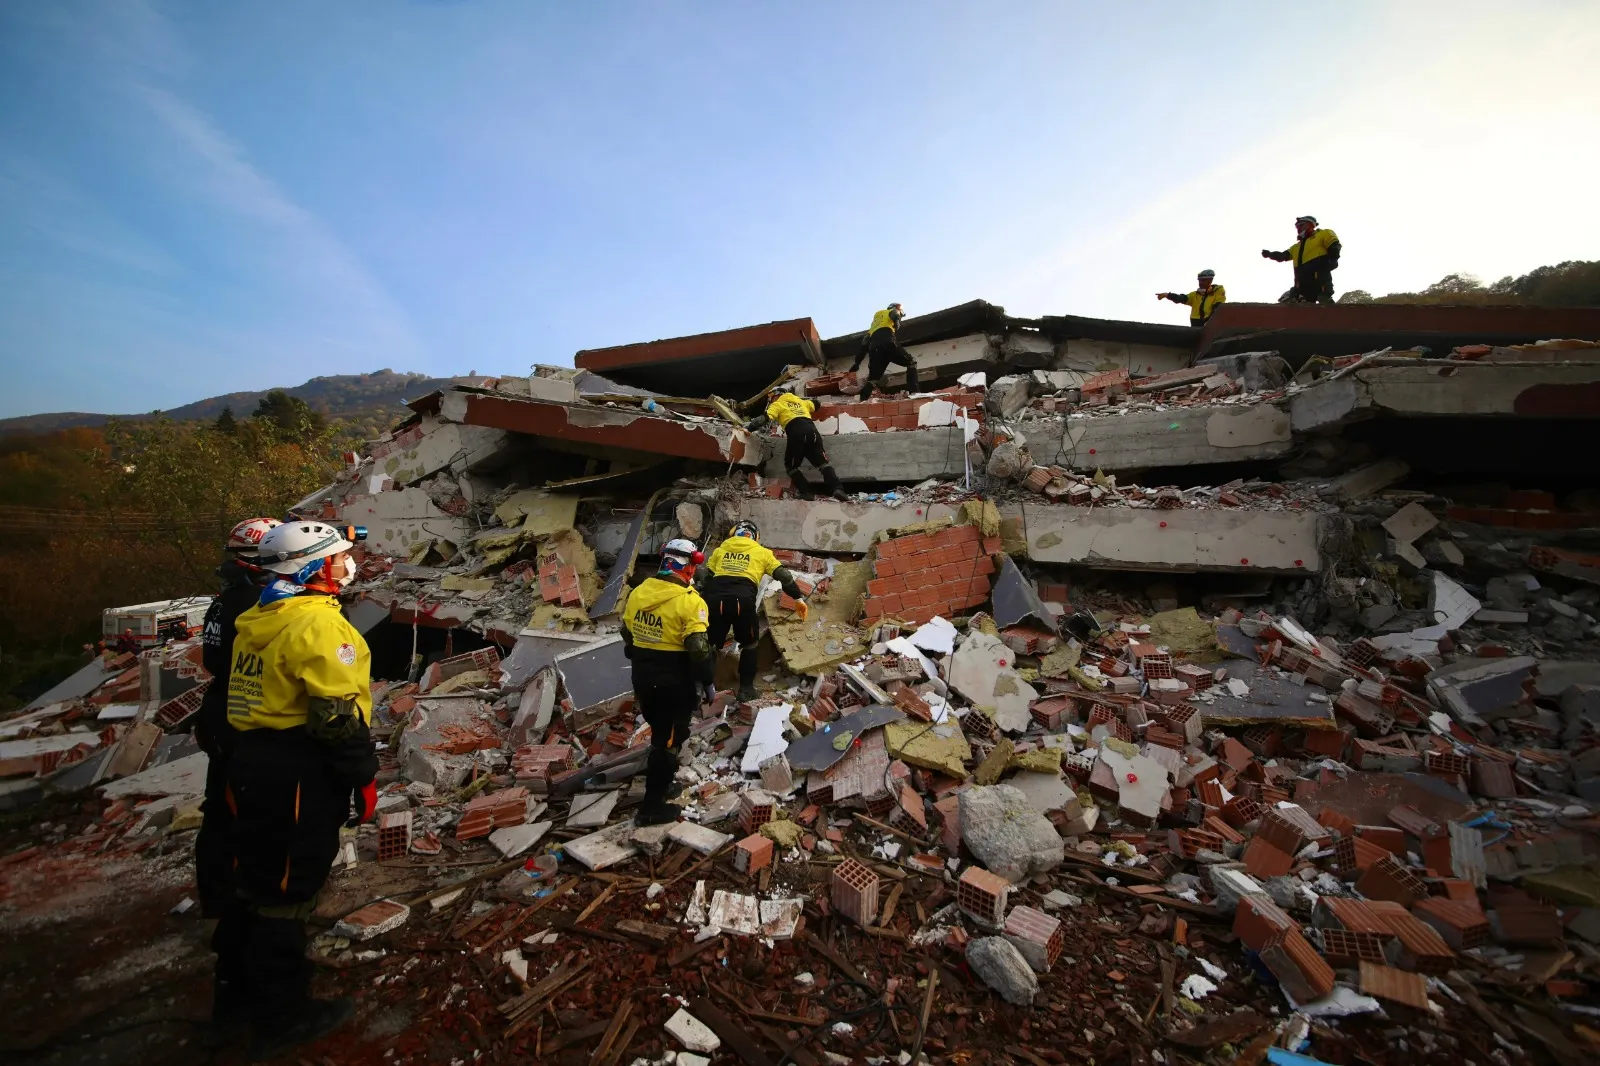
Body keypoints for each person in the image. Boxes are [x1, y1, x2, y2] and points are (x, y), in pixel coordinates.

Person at [219, 521, 377, 1060]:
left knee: (257, 873)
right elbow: (336, 718)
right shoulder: (316, 627)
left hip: (251, 759)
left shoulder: (261, 616)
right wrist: (362, 775)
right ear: (311, 567)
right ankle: (281, 1014)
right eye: (337, 558)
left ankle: (236, 991)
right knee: (286, 888)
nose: (347, 565)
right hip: (294, 770)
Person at [194, 517, 280, 1030]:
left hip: (219, 712)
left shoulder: (225, 597)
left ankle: (218, 896)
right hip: (241, 717)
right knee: (242, 814)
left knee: (217, 808)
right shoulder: (255, 602)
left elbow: (210, 657)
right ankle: (242, 904)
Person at [620, 538, 714, 826]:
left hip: (643, 677)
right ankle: (651, 808)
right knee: (667, 742)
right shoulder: (690, 602)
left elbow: (626, 633)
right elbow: (698, 649)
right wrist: (708, 681)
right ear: (689, 568)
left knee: (665, 732)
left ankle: (662, 786)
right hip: (674, 684)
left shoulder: (639, 592)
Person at [696, 520, 809, 702]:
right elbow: (784, 576)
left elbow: (706, 579)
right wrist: (797, 598)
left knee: (708, 645)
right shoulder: (762, 552)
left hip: (715, 600)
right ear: (755, 537)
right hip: (743, 601)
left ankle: (700, 687)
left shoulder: (720, 550)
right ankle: (746, 689)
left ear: (733, 533)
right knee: (750, 645)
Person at [746, 388, 848, 501]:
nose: (771, 400)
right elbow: (816, 404)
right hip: (813, 433)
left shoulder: (778, 404)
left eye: (772, 397)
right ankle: (838, 489)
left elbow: (762, 419)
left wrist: (748, 428)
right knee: (823, 464)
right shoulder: (800, 401)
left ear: (777, 396)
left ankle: (807, 493)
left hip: (796, 433)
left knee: (791, 467)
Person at [1262, 216, 1341, 304]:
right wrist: (1270, 254)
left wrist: (1334, 259)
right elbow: (1282, 256)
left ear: (1311, 225)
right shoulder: (1296, 247)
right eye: (1297, 227)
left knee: (1324, 298)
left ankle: (1332, 310)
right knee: (1293, 299)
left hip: (1319, 278)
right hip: (1301, 283)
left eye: (1302, 225)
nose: (1299, 228)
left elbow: (1334, 245)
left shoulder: (1323, 233)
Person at [849, 302, 919, 400]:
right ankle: (915, 393)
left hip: (874, 350)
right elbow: (895, 313)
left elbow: (864, 344)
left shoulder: (874, 325)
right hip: (888, 343)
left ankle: (861, 401)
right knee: (911, 362)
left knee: (873, 379)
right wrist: (897, 322)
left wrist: (857, 363)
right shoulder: (891, 311)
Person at [1157, 270, 1227, 325]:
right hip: (1196, 325)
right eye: (1199, 280)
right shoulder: (1194, 295)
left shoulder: (1218, 290)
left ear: (1210, 281)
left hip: (1211, 324)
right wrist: (1167, 295)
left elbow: (1218, 307)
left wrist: (1210, 322)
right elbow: (1181, 298)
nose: (1200, 283)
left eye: (1203, 280)